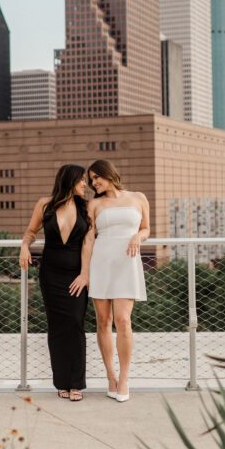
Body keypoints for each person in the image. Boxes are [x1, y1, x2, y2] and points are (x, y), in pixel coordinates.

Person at [19, 164, 91, 401]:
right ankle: (61, 381)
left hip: (77, 275)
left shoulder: (87, 208)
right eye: (81, 180)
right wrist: (24, 247)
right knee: (57, 325)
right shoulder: (45, 204)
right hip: (50, 274)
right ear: (70, 180)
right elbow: (31, 231)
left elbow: (89, 244)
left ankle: (77, 383)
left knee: (75, 323)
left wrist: (85, 274)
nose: (85, 184)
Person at [83, 159, 148, 403]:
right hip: (101, 262)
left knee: (123, 320)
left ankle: (124, 378)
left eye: (96, 177)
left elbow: (147, 228)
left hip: (127, 261)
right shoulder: (94, 204)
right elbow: (89, 239)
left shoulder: (138, 197)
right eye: (90, 180)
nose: (93, 183)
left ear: (108, 174)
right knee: (103, 321)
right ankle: (110, 376)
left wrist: (138, 238)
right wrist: (86, 272)